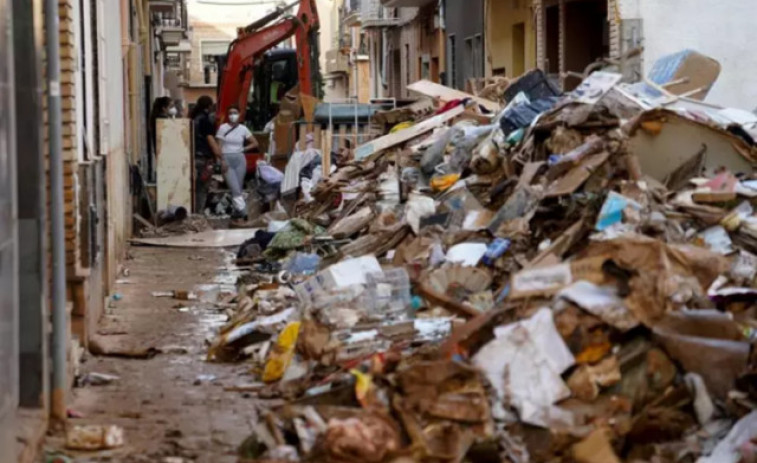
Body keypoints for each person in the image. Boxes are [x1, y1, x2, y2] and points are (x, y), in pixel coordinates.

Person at [215, 105, 258, 220]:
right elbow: (218, 146)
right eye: (230, 113)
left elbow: (255, 143)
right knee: (234, 188)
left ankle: (237, 212)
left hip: (240, 159)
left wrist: (243, 149)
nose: (232, 115)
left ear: (239, 114)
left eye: (235, 113)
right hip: (226, 159)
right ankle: (245, 212)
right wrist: (221, 160)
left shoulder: (243, 129)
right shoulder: (223, 128)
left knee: (238, 187)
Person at [191, 95, 220, 213]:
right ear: (209, 106)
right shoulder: (205, 120)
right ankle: (199, 213)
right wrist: (220, 155)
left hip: (194, 156)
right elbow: (211, 140)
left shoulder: (194, 118)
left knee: (196, 187)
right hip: (204, 158)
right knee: (202, 188)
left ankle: (195, 211)